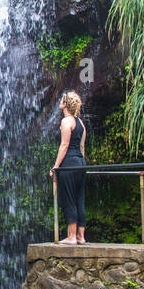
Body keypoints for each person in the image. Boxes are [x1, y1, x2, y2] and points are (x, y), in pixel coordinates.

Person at [49, 91, 87, 244]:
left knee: (69, 198)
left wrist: (56, 167)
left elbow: (64, 145)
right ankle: (80, 236)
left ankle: (71, 236)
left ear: (66, 104)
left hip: (69, 163)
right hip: (80, 163)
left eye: (62, 100)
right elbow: (82, 146)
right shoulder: (80, 123)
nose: (60, 101)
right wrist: (81, 163)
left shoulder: (66, 121)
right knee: (79, 197)